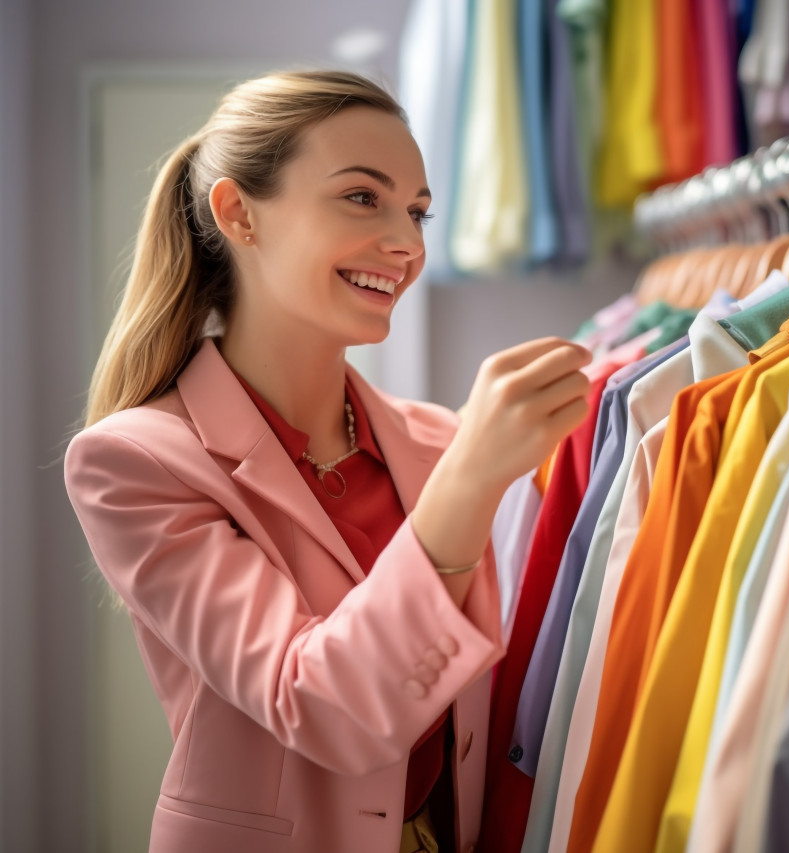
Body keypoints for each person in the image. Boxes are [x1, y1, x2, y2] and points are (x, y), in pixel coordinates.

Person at [63, 69, 592, 853]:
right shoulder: (132, 463)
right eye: (362, 197)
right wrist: (473, 478)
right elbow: (320, 705)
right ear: (239, 214)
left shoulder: (436, 439)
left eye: (417, 211)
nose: (408, 244)